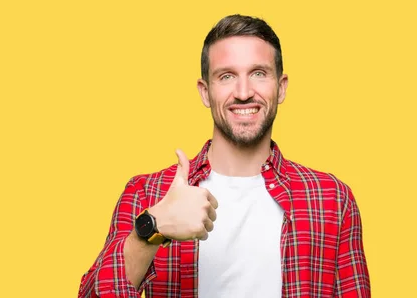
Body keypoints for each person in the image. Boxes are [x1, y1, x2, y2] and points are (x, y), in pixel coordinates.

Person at [78, 14, 370, 298]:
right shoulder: (148, 194)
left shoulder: (332, 199)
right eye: (226, 76)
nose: (243, 92)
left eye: (258, 73)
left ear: (281, 88)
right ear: (205, 92)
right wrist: (152, 228)